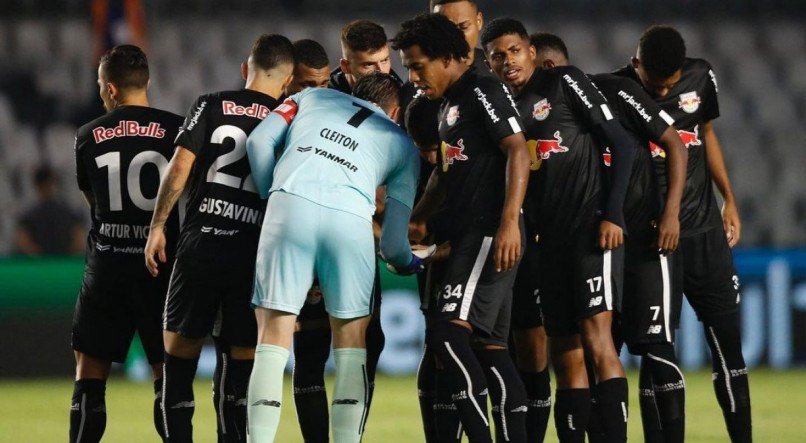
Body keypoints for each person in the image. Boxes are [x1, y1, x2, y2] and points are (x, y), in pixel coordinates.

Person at [481, 18, 638, 442]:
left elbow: (621, 144)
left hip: (589, 230)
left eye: (514, 50)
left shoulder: (565, 81)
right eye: (498, 55)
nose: (508, 60)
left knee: (597, 339)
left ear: (531, 51)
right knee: (564, 354)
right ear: (489, 63)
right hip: (544, 243)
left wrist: (613, 215)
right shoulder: (499, 107)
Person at [244, 72, 421, 443]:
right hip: (351, 221)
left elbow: (259, 141)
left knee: (273, 338)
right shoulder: (402, 144)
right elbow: (392, 245)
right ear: (395, 110)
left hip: (289, 204)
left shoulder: (312, 97)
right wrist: (410, 262)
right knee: (351, 345)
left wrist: (269, 196)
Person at [532, 31, 689, 443]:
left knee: (653, 350)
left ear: (548, 68)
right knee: (584, 350)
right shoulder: (539, 112)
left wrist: (670, 213)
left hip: (641, 242)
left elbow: (674, 142)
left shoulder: (615, 91)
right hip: (591, 242)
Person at [144, 34, 294, 443]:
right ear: (287, 80)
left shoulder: (209, 103)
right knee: (238, 373)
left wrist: (157, 226)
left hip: (199, 248)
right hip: (251, 256)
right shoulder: (289, 118)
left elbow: (179, 167)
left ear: (246, 69)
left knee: (176, 369)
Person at [393, 13, 532, 443]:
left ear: (450, 58)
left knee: (446, 336)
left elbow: (517, 151)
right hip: (475, 232)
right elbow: (446, 172)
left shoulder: (481, 89)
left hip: (489, 230)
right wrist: (418, 214)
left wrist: (509, 220)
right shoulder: (448, 104)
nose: (412, 77)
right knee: (489, 350)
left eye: (417, 65)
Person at [614, 25, 751, 442]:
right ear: (636, 64)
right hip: (652, 244)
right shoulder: (618, 92)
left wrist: (728, 197)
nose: (660, 93)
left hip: (705, 234)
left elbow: (705, 134)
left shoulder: (701, 77)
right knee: (657, 355)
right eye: (653, 85)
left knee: (729, 350)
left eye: (668, 85)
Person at [70, 44, 183, 443]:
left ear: (112, 88)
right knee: (166, 373)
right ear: (146, 82)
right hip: (162, 269)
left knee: (89, 374)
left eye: (101, 85)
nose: (101, 92)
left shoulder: (87, 136)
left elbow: (94, 203)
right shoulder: (178, 129)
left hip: (107, 268)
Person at [15, 165, 84, 255]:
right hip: (61, 264)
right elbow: (23, 241)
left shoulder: (68, 213)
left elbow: (78, 240)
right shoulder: (30, 216)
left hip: (44, 265)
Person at [328, 20, 403, 94]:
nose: (381, 71)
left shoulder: (403, 95)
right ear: (345, 66)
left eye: (384, 60)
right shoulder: (325, 99)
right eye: (369, 65)